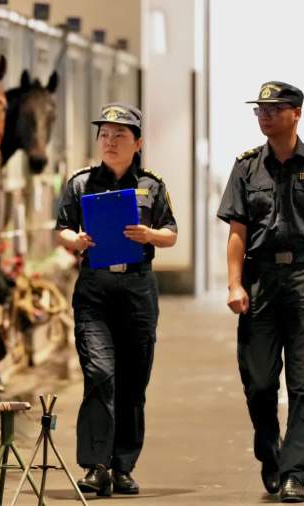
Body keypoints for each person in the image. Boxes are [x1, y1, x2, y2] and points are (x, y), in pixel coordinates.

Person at [217, 82, 304, 503]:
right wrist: (234, 283)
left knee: (301, 383)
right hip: (258, 282)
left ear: (296, 113)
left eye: (273, 109)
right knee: (258, 382)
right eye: (259, 110)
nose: (264, 116)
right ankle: (269, 451)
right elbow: (237, 232)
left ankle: (294, 474)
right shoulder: (245, 167)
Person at [54, 102, 178, 496]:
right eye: (104, 135)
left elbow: (171, 233)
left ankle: (123, 466)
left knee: (132, 381)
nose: (109, 142)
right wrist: (73, 241)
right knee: (100, 373)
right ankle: (96, 465)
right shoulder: (80, 183)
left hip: (139, 289)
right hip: (95, 290)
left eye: (119, 135)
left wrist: (149, 235)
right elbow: (62, 229)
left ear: (137, 143)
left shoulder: (152, 185)